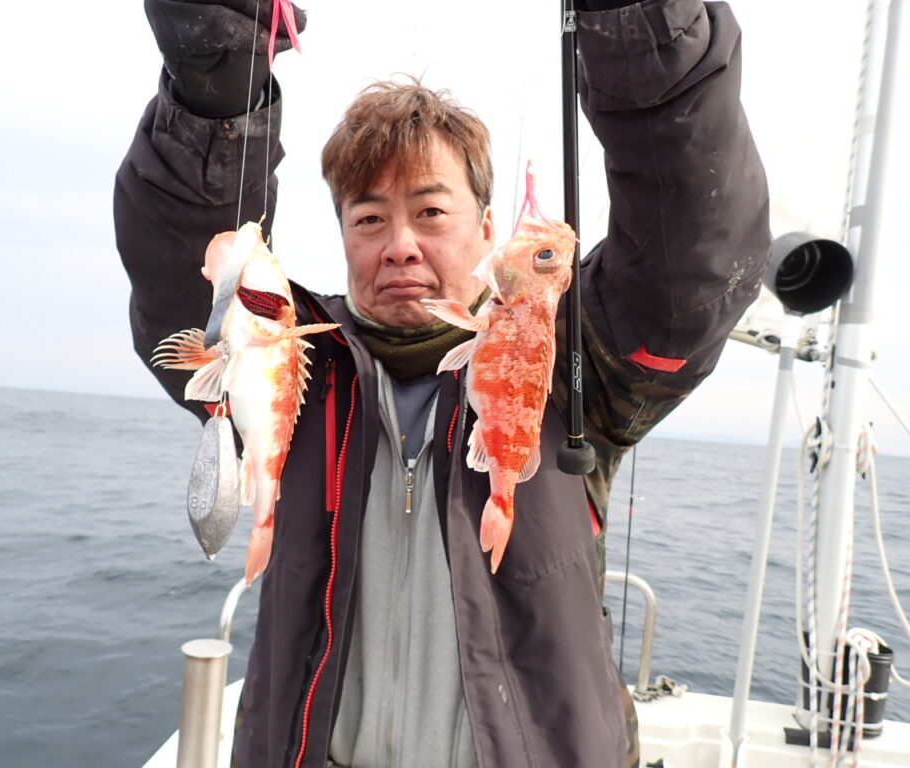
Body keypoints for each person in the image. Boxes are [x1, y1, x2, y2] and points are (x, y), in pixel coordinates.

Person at [115, 0, 771, 765]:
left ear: (488, 230)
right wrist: (215, 78)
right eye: (368, 219)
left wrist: (639, 20)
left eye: (430, 210)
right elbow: (180, 272)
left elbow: (693, 257)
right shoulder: (290, 358)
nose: (399, 245)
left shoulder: (573, 356)